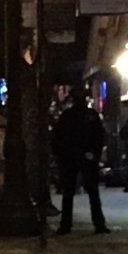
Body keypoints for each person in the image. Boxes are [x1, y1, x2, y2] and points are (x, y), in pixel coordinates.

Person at [52, 87, 107, 235]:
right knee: (91, 191)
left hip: (71, 157)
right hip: (83, 156)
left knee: (69, 192)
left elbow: (57, 137)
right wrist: (94, 154)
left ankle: (66, 224)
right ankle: (98, 223)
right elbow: (99, 136)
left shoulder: (67, 115)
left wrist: (61, 156)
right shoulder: (90, 115)